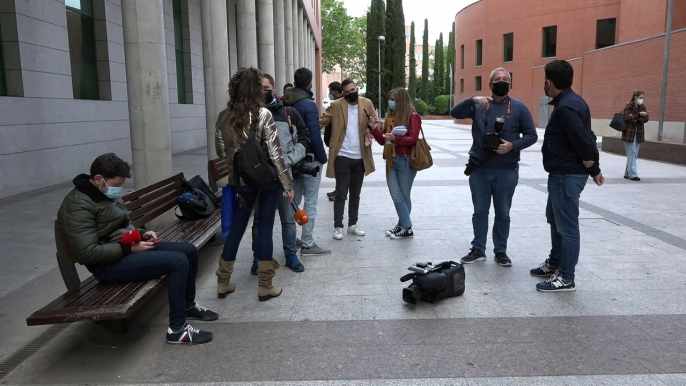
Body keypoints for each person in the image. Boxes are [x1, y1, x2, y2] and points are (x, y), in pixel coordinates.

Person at [57, 153, 218, 345]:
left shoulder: (104, 193)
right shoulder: (77, 205)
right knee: (178, 262)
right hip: (106, 265)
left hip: (124, 250)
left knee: (189, 251)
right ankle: (177, 330)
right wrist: (129, 250)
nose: (118, 189)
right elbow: (88, 253)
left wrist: (141, 234)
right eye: (116, 185)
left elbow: (123, 225)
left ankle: (187, 306)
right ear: (99, 179)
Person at [215, 67, 295, 301]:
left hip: (239, 183)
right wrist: (287, 185)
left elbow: (221, 151)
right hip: (266, 182)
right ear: (258, 90)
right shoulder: (263, 115)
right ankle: (265, 286)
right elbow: (275, 154)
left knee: (237, 229)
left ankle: (222, 282)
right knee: (265, 228)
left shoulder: (223, 116)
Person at [450, 68, 538, 267]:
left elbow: (532, 135)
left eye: (505, 79)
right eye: (497, 79)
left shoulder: (519, 108)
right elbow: (454, 112)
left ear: (510, 84)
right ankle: (478, 248)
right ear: (490, 85)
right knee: (479, 211)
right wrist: (472, 99)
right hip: (479, 169)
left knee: (503, 213)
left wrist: (513, 145)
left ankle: (501, 251)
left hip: (507, 170)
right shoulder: (480, 105)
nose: (501, 81)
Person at [531, 60, 604, 292]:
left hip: (566, 174)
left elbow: (583, 138)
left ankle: (566, 277)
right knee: (554, 219)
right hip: (562, 172)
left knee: (567, 226)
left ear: (549, 82)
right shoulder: (572, 101)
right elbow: (586, 135)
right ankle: (555, 262)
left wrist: (593, 165)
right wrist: (593, 167)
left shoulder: (566, 107)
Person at [250, 73, 310, 274]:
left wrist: (288, 161)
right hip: (260, 179)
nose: (263, 92)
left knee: (288, 218)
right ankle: (258, 258)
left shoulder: (289, 113)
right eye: (259, 89)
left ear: (274, 88)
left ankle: (290, 254)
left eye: (266, 88)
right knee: (259, 221)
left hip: (285, 176)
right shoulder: (250, 114)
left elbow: (304, 138)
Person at [319, 78, 378, 240]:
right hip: (342, 156)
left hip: (360, 157)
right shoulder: (337, 105)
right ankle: (338, 226)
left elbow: (377, 123)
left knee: (356, 193)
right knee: (341, 194)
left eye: (353, 90)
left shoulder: (367, 103)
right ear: (343, 94)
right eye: (347, 92)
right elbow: (321, 122)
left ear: (356, 89)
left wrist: (372, 126)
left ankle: (353, 225)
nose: (351, 94)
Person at [283, 68, 331, 256]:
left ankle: (291, 239)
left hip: (290, 161)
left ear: (294, 82)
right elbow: (314, 135)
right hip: (309, 161)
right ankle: (308, 243)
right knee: (310, 202)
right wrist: (322, 158)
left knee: (293, 200)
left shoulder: (283, 103)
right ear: (310, 83)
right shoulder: (308, 105)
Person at [370, 87, 421, 239]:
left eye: (393, 99)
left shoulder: (413, 116)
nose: (390, 102)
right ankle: (403, 225)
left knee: (403, 196)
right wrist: (374, 128)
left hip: (405, 160)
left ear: (402, 100)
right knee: (396, 195)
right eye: (390, 99)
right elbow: (382, 141)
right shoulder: (389, 118)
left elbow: (412, 139)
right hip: (391, 160)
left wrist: (395, 138)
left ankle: (406, 227)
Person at [621, 90, 649, 181]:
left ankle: (627, 173)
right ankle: (633, 174)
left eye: (643, 98)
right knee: (632, 152)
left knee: (634, 153)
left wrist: (636, 118)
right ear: (635, 97)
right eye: (640, 98)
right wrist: (638, 115)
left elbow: (646, 118)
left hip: (639, 132)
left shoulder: (642, 107)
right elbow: (627, 118)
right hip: (629, 133)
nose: (642, 100)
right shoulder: (629, 106)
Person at [326, 81, 344, 202]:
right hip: (335, 141)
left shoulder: (340, 104)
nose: (329, 94)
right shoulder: (336, 104)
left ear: (335, 92)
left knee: (340, 169)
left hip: (339, 142)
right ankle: (338, 190)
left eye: (331, 91)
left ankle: (341, 192)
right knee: (338, 168)